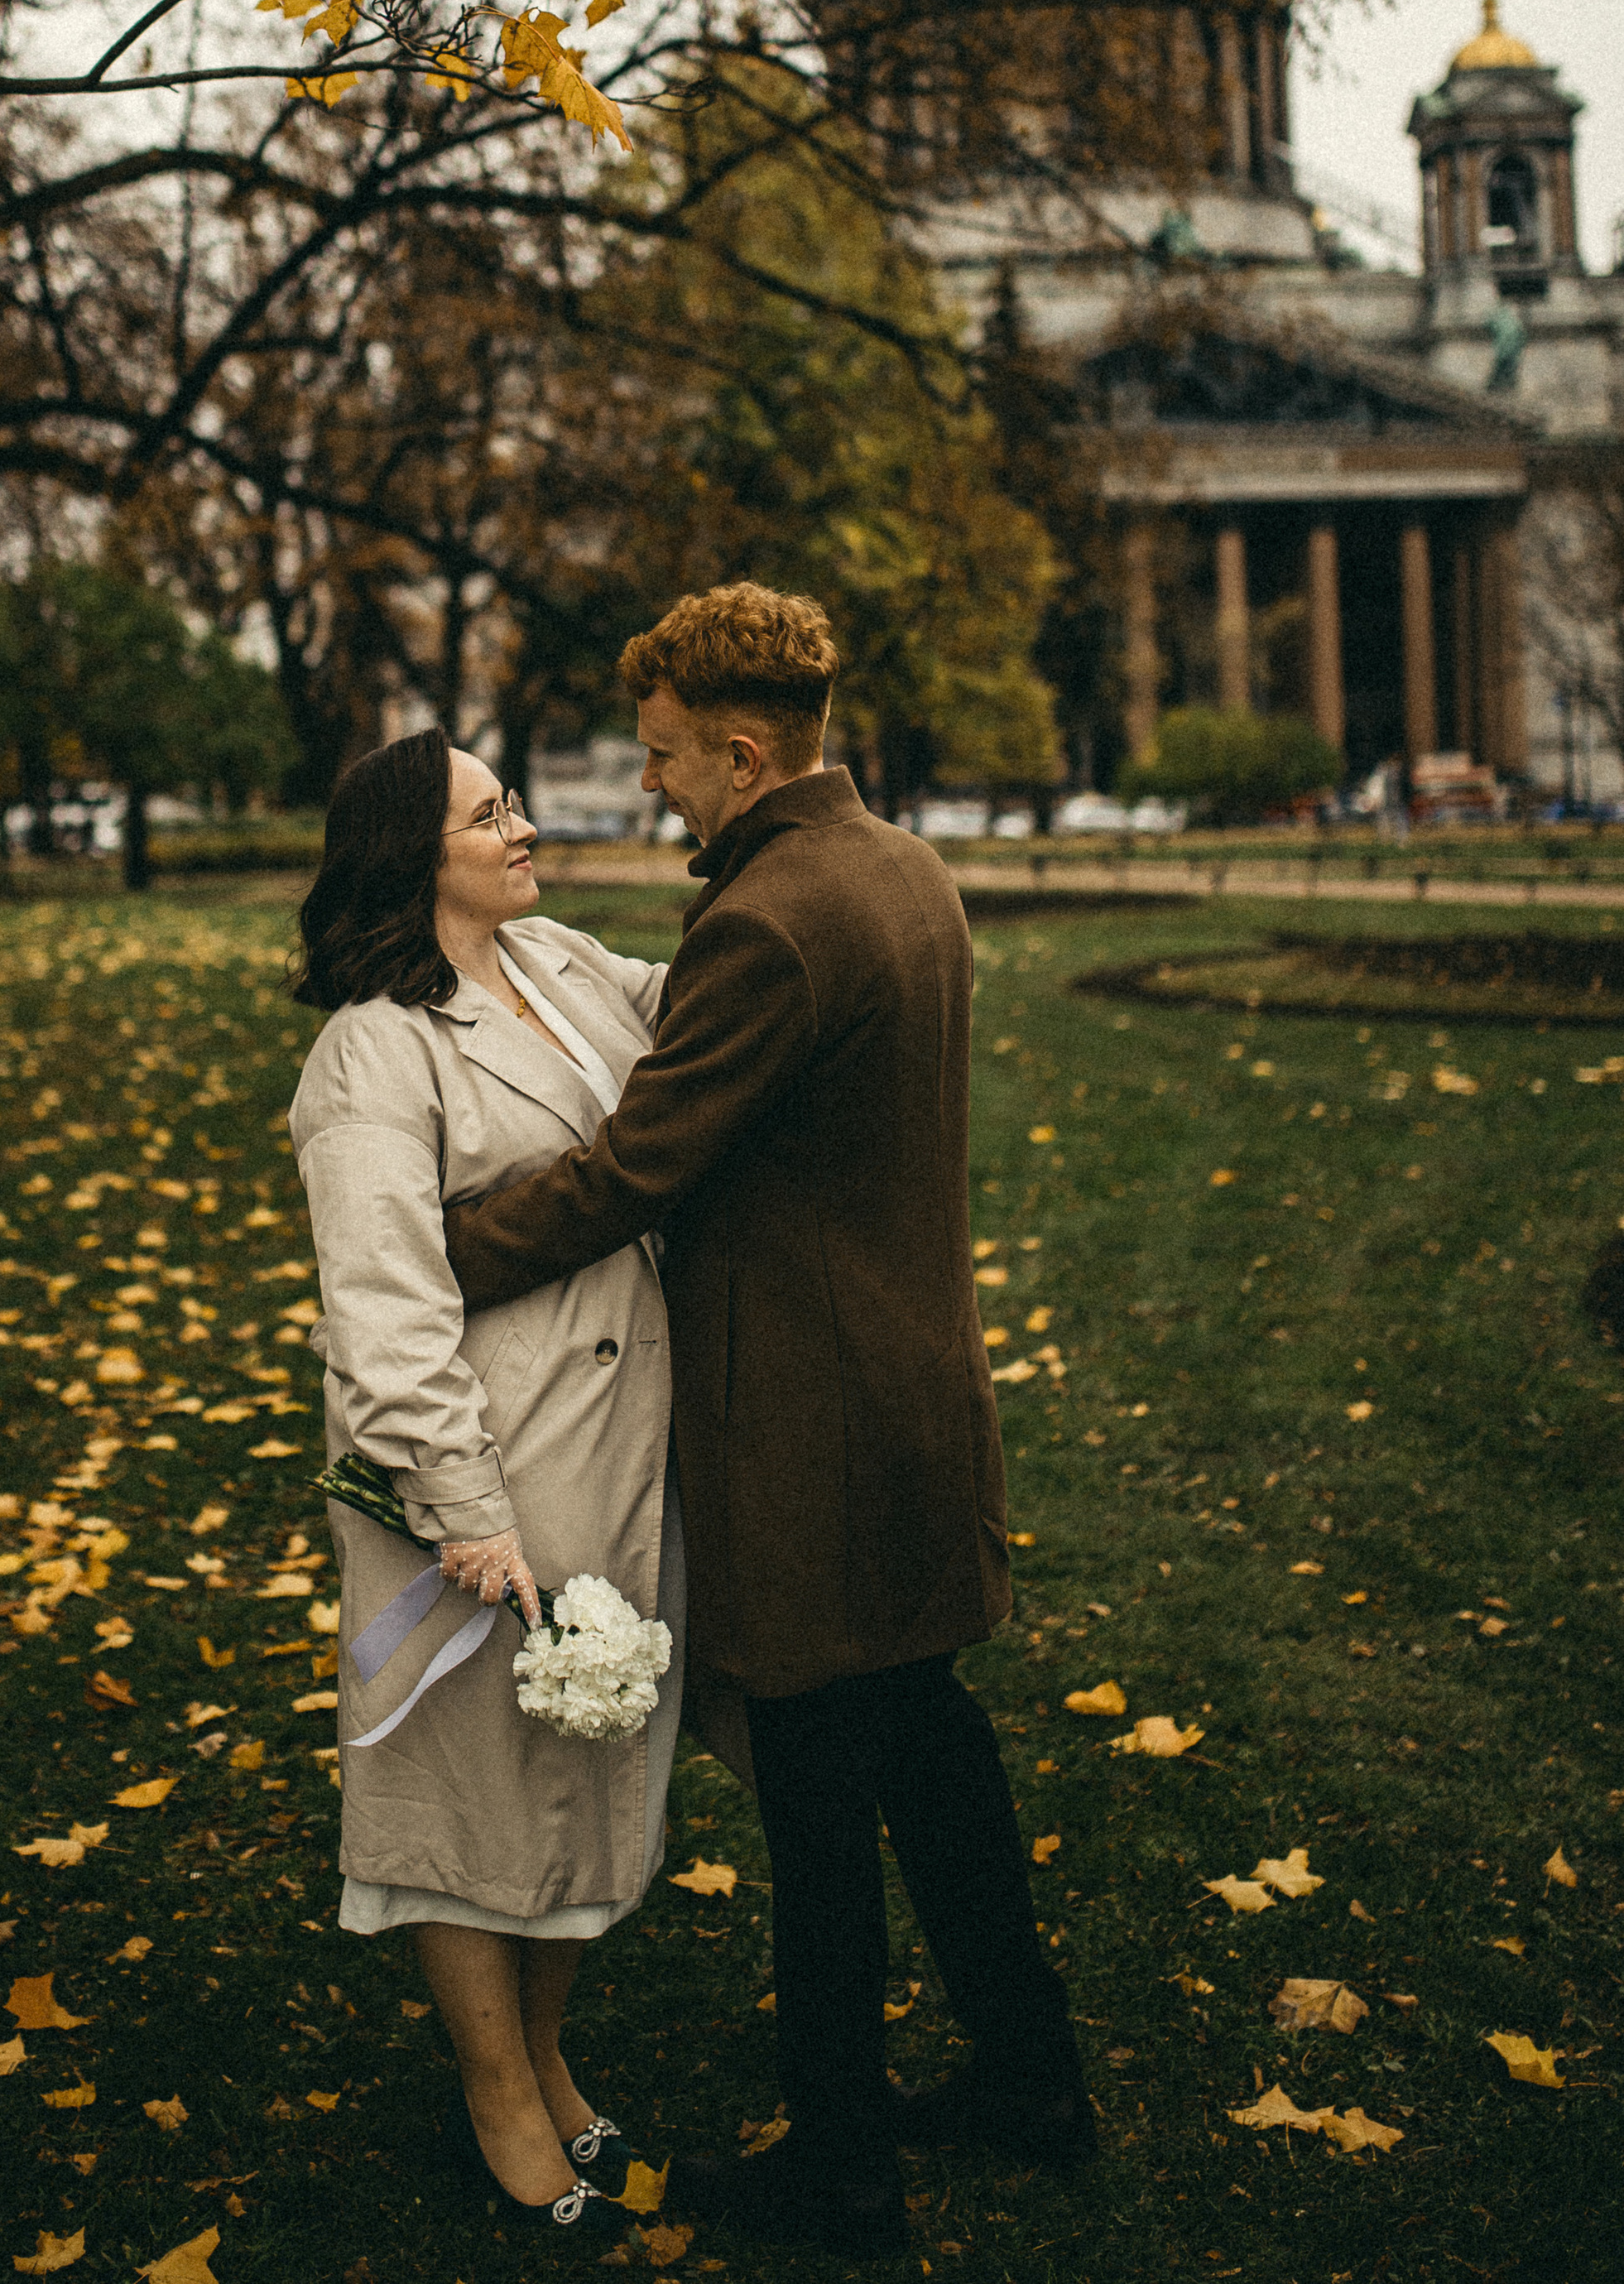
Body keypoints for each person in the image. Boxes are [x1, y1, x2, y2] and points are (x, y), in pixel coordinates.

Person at [443, 584, 1092, 2262]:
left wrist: (439, 1249)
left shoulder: (771, 918)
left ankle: (843, 2175)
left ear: (739, 754)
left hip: (806, 1434)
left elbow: (631, 1168)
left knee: (817, 1807)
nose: (646, 785)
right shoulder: (900, 869)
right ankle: (1030, 2081)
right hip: (915, 1405)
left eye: (661, 758)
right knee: (934, 1762)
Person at [288, 728, 685, 2252]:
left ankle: (547, 2048)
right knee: (470, 1787)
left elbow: (709, 1011)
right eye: (490, 811)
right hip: (478, 1469)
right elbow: (380, 1310)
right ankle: (496, 2092)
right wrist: (466, 1512)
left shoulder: (567, 962)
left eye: (510, 801)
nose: (524, 826)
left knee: (587, 1757)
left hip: (625, 1442)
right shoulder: (371, 1051)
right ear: (418, 854)